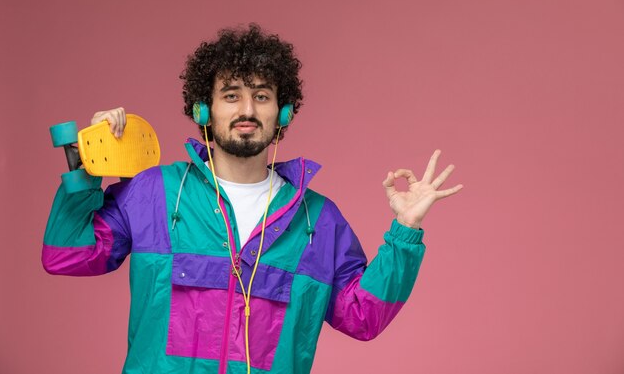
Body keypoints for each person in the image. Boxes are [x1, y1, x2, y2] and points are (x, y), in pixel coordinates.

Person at [42, 24, 463, 374]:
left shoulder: (318, 220)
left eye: (261, 96)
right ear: (204, 110)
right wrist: (85, 165)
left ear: (282, 113)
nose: (247, 109)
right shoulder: (154, 193)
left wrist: (405, 233)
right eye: (231, 95)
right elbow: (65, 256)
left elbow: (363, 317)